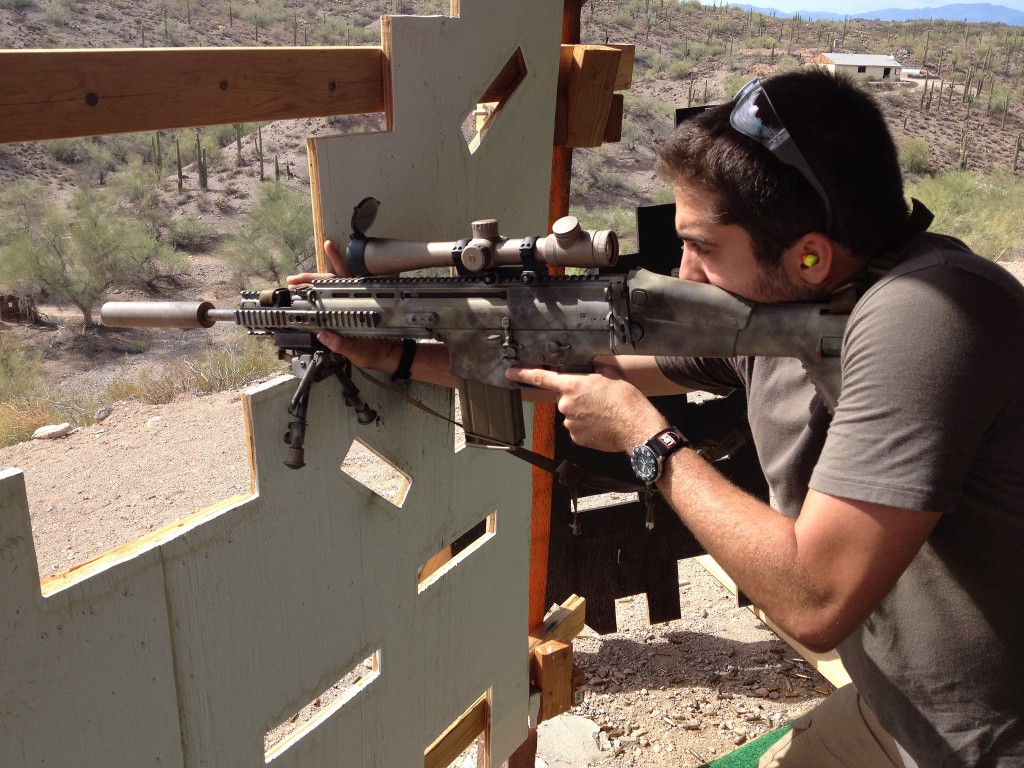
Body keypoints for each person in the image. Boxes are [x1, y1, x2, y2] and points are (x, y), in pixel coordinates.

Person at [300, 68, 1024, 767]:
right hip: (898, 713)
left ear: (810, 257)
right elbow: (593, 364)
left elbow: (816, 599)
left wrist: (648, 441)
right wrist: (401, 354)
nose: (685, 273)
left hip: (984, 742)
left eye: (703, 247)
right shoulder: (789, 311)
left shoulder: (926, 318)